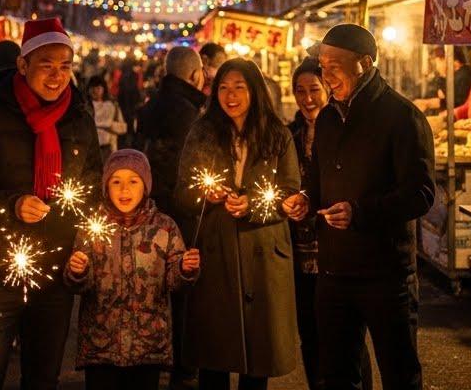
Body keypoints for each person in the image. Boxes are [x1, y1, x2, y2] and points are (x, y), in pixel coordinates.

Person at [0, 17, 102, 390]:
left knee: (43, 378)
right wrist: (12, 204)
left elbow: (93, 182)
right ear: (23, 64)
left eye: (65, 66)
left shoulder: (79, 118)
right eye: (46, 65)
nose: (57, 76)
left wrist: (83, 237)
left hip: (55, 271)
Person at [294, 24, 434, 390]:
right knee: (338, 374)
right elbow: (318, 178)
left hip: (385, 272)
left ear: (365, 63)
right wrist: (306, 199)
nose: (326, 76)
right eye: (322, 66)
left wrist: (360, 212)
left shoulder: (402, 117)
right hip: (333, 270)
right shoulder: (328, 117)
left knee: (399, 373)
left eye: (334, 66)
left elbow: (421, 193)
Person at [177, 58, 303, 390]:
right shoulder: (202, 132)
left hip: (263, 253)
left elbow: (290, 191)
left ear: (254, 90)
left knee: (258, 359)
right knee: (214, 355)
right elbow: (182, 193)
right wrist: (206, 195)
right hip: (216, 251)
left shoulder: (277, 134)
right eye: (223, 88)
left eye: (239, 87)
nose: (230, 96)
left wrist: (254, 205)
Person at [64, 149, 201, 390]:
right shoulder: (92, 226)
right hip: (101, 345)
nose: (124, 189)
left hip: (147, 347)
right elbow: (80, 283)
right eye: (116, 182)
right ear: (106, 187)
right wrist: (78, 271)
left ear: (146, 186)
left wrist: (184, 269)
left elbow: (174, 282)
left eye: (133, 181)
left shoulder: (164, 228)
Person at [287, 59, 373, 390]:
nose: (307, 98)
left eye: (314, 89)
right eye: (300, 91)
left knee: (347, 338)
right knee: (310, 333)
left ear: (327, 90)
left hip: (339, 250)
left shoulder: (347, 131)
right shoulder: (289, 136)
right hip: (301, 251)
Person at [137, 45, 207, 389]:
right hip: (180, 210)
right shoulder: (188, 113)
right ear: (195, 75)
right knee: (183, 291)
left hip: (149, 207)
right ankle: (183, 365)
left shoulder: (150, 106)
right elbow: (187, 167)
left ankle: (152, 360)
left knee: (150, 288)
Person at [412, 46, 471, 115]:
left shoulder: (464, 75)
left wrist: (428, 103)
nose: (437, 67)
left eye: (439, 61)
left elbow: (456, 103)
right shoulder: (452, 76)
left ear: (451, 60)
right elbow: (441, 96)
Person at [88, 77, 127, 161]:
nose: (95, 91)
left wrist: (108, 125)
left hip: (108, 149)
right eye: (92, 88)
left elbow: (123, 128)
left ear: (103, 89)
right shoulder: (85, 107)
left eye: (98, 88)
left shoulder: (112, 106)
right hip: (90, 150)